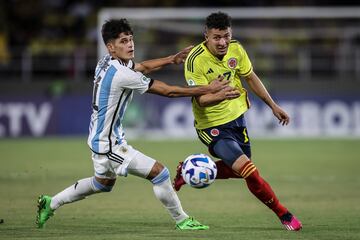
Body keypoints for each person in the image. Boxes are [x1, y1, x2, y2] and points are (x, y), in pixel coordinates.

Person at [36, 18, 239, 230]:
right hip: (109, 145)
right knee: (160, 173)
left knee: (102, 184)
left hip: (100, 136)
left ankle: (51, 202)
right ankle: (183, 220)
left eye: (131, 39)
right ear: (111, 47)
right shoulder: (122, 75)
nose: (130, 45)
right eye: (123, 41)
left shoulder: (106, 62)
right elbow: (168, 91)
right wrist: (207, 89)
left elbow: (141, 66)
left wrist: (172, 59)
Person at [172, 12, 302, 231]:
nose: (222, 42)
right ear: (206, 36)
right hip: (211, 125)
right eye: (217, 37)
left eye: (226, 36)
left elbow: (250, 76)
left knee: (238, 170)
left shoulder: (237, 49)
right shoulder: (195, 59)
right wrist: (222, 95)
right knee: (248, 170)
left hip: (237, 119)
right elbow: (201, 99)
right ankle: (284, 214)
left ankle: (188, 170)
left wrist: (273, 105)